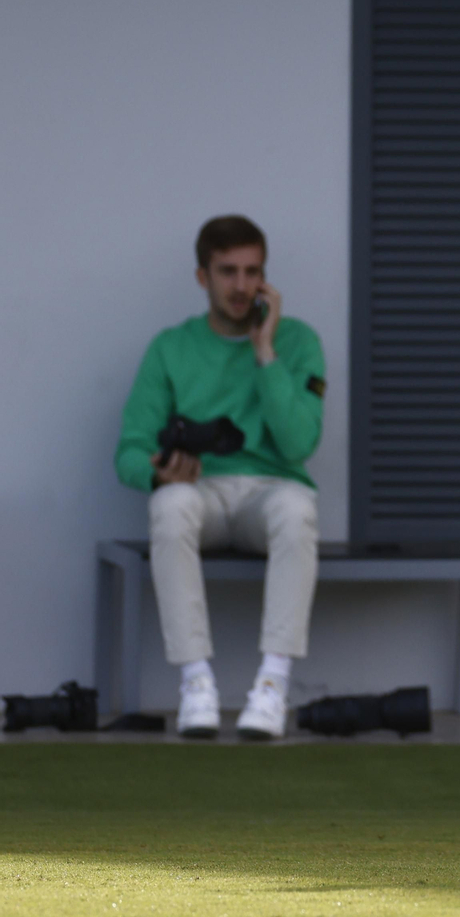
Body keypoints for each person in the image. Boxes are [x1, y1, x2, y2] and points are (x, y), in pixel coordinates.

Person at [114, 215, 326, 740]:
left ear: (266, 279)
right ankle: (196, 683)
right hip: (200, 492)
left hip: (268, 493)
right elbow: (128, 451)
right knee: (168, 506)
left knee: (298, 509)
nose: (241, 285)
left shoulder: (298, 342)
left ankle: (272, 687)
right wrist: (160, 474)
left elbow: (300, 445)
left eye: (252, 272)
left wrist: (265, 352)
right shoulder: (170, 347)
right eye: (227, 271)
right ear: (202, 276)